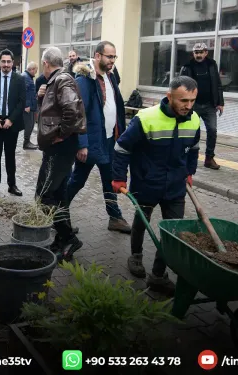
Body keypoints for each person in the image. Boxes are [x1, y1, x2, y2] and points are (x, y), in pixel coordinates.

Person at [112, 76, 201, 297]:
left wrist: (189, 172)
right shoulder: (146, 118)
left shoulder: (194, 119)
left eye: (192, 101)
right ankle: (136, 256)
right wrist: (119, 178)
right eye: (183, 101)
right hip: (147, 181)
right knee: (142, 221)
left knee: (172, 231)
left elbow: (195, 149)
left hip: (175, 186)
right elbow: (122, 147)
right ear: (169, 96)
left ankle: (158, 275)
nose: (188, 106)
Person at [68, 41, 132, 234]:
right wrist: (81, 144)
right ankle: (57, 213)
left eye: (114, 57)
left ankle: (115, 217)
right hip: (91, 142)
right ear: (97, 56)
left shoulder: (111, 77)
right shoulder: (85, 80)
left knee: (110, 179)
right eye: (109, 56)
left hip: (109, 140)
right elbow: (79, 114)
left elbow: (116, 107)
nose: (112, 60)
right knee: (77, 180)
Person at [35, 46, 87, 261]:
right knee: (58, 195)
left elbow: (72, 111)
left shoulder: (62, 80)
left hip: (60, 148)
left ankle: (68, 238)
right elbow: (55, 110)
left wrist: (61, 135)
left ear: (46, 63)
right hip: (59, 149)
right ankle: (62, 240)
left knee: (44, 195)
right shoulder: (55, 81)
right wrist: (42, 97)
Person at [0, 49, 26, 197]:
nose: (6, 64)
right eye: (3, 61)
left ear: (13, 63)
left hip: (11, 124)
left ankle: (12, 185)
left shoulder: (19, 79)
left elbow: (21, 102)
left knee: (10, 155)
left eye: (9, 62)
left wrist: (11, 120)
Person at [180, 42, 224, 170]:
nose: (198, 55)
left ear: (206, 53)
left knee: (212, 130)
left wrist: (220, 102)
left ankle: (209, 158)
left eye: (201, 52)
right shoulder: (187, 66)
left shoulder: (211, 65)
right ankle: (185, 156)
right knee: (191, 131)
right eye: (196, 53)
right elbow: (181, 86)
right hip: (193, 105)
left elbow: (218, 84)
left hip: (210, 105)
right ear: (193, 54)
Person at [22, 62, 38, 150]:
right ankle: (26, 143)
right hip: (28, 107)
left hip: (30, 106)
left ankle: (27, 142)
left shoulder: (27, 77)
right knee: (29, 124)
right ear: (32, 69)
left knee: (31, 124)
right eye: (36, 70)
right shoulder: (26, 77)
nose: (36, 72)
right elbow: (24, 93)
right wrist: (26, 106)